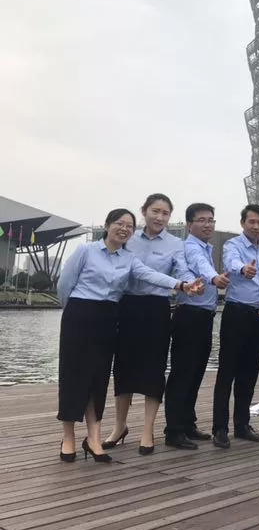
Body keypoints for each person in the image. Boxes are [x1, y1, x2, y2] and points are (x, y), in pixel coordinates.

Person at [57, 208, 200, 463]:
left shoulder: (129, 258)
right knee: (73, 376)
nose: (123, 229)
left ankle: (94, 438)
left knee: (99, 378)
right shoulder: (86, 251)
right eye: (119, 223)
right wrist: (74, 312)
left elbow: (149, 275)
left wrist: (180, 285)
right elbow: (64, 285)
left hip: (108, 317)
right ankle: (68, 437)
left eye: (129, 226)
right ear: (107, 225)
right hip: (79, 315)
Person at [104, 194, 185, 455]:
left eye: (165, 213)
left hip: (156, 310)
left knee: (154, 368)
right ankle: (119, 426)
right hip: (127, 307)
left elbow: (181, 270)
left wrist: (188, 283)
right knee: (123, 367)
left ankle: (148, 430)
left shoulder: (176, 244)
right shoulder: (129, 238)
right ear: (144, 211)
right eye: (155, 211)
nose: (159, 217)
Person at [163, 203, 230, 450]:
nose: (208, 224)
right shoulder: (191, 247)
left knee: (196, 373)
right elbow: (200, 266)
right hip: (189, 316)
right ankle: (174, 430)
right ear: (189, 225)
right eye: (202, 220)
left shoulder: (205, 247)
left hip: (204, 317)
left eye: (211, 220)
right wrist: (214, 278)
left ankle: (187, 423)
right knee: (182, 374)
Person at [211, 204, 259, 448]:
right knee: (227, 371)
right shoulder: (233, 245)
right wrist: (243, 269)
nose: (256, 226)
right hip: (237, 312)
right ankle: (220, 428)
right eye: (252, 222)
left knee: (249, 372)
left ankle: (242, 424)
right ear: (243, 223)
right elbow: (231, 262)